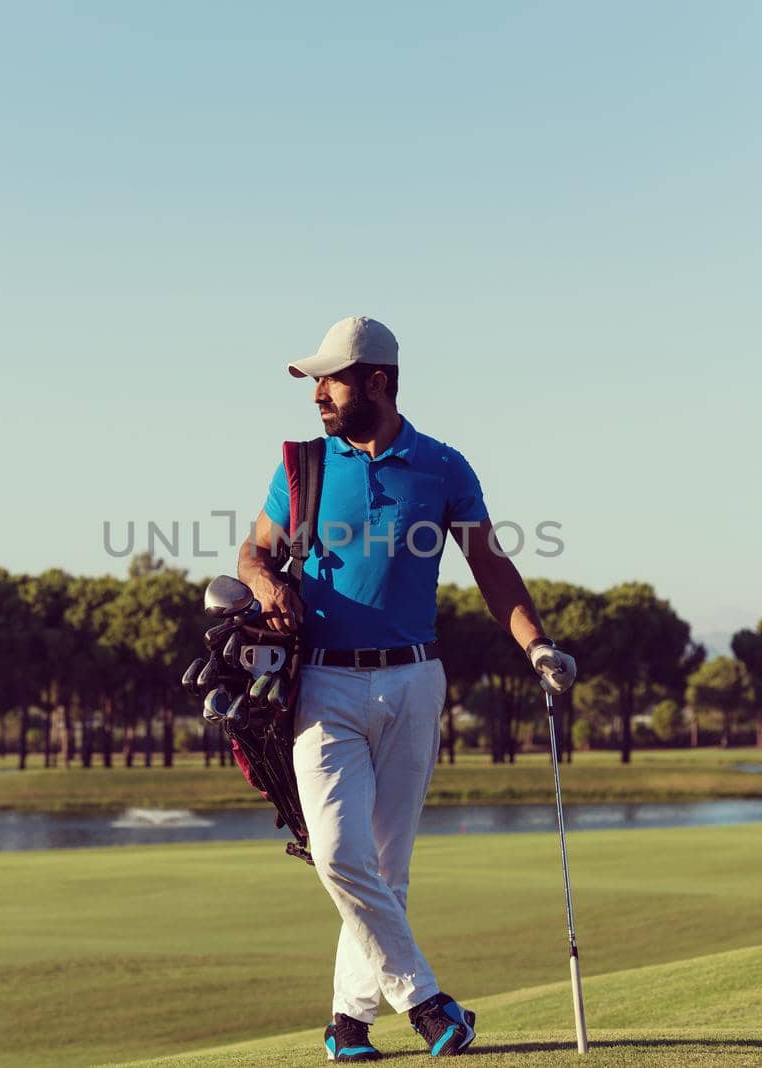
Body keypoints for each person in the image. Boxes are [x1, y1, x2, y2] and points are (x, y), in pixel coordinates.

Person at [237, 315, 578, 1061]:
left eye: (331, 378)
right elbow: (254, 552)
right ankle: (427, 1004)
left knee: (387, 866)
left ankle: (347, 1025)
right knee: (337, 854)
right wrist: (265, 584)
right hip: (323, 685)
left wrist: (538, 645)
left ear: (379, 382)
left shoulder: (444, 467)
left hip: (416, 684)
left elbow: (492, 569)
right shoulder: (303, 467)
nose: (318, 394)